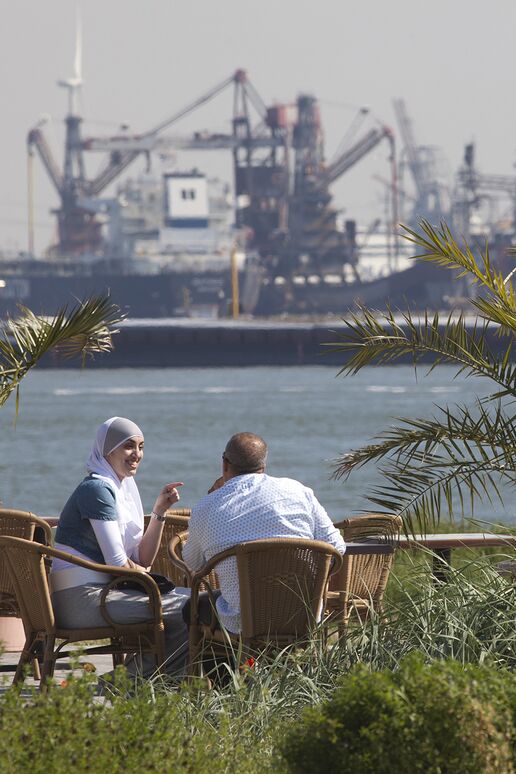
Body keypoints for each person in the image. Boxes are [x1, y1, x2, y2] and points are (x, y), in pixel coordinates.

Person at [50, 416, 190, 677]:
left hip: (106, 593)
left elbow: (143, 558)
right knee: (192, 608)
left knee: (194, 603)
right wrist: (146, 575)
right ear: (107, 451)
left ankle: (149, 680)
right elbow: (117, 563)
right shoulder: (96, 490)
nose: (137, 454)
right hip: (83, 600)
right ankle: (127, 681)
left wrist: (159, 510)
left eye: (141, 446)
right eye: (129, 446)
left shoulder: (121, 488)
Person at [182, 432, 346, 633]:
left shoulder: (206, 507)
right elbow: (337, 547)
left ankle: (232, 663)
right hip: (303, 614)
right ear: (263, 465)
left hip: (242, 621)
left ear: (225, 464)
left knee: (190, 610)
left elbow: (193, 564)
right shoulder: (298, 491)